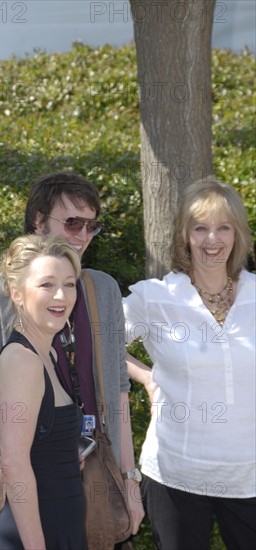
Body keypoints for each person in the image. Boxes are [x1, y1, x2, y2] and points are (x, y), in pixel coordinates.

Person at [0, 172, 145, 538]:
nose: (83, 236)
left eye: (91, 226)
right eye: (72, 223)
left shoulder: (101, 289)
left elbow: (118, 391)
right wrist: (40, 442)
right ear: (39, 221)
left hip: (99, 466)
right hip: (30, 470)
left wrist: (130, 479)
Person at [123, 178, 256, 550]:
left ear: (237, 234)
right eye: (200, 228)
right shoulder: (155, 298)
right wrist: (144, 376)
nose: (211, 240)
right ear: (184, 235)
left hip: (250, 478)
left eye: (223, 227)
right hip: (175, 475)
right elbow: (97, 342)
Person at [0, 234, 86, 549]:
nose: (61, 295)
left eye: (69, 284)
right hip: (35, 537)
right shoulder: (23, 361)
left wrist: (54, 447)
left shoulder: (47, 353)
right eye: (46, 285)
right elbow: (12, 463)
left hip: (59, 526)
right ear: (17, 293)